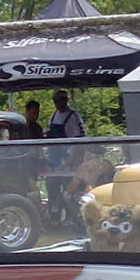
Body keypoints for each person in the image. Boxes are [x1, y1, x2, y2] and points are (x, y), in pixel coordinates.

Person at [43, 89, 86, 225]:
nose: (58, 104)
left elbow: (79, 140)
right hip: (54, 157)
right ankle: (54, 214)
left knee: (68, 188)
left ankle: (71, 216)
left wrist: (73, 161)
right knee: (52, 186)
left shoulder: (73, 116)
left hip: (69, 157)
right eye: (55, 101)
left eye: (60, 100)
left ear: (65, 100)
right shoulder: (54, 115)